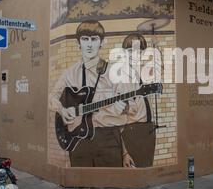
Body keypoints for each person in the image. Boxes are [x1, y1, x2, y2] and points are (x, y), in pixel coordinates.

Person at [49, 21, 135, 167]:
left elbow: (131, 109)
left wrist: (125, 152)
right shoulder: (69, 74)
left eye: (94, 39)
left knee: (110, 182)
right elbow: (51, 98)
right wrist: (62, 111)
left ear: (101, 42)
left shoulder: (115, 72)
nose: (89, 44)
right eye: (85, 39)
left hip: (109, 140)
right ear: (78, 43)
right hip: (78, 141)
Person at [117, 33, 157, 168]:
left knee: (146, 169)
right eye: (130, 52)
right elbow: (117, 120)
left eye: (138, 52)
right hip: (132, 134)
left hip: (147, 131)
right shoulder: (122, 80)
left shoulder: (140, 75)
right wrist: (124, 152)